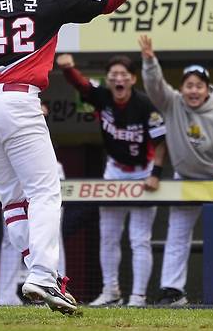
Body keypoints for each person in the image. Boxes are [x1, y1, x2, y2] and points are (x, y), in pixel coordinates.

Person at [0, 0, 160, 315]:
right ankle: (43, 275)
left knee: (12, 198)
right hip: (17, 100)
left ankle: (37, 270)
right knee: (45, 193)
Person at [139, 35, 213, 306]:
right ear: (182, 88)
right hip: (185, 179)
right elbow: (155, 87)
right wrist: (150, 61)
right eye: (189, 85)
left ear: (207, 89)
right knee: (177, 232)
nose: (193, 91)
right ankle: (172, 289)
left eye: (199, 86)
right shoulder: (173, 103)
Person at [56, 53, 167, 307]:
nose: (119, 79)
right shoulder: (103, 97)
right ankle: (111, 291)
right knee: (108, 236)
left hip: (143, 173)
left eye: (124, 75)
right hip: (115, 172)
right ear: (108, 79)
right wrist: (69, 69)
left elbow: (161, 142)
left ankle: (138, 297)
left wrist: (156, 174)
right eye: (114, 75)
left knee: (139, 239)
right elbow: (83, 85)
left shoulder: (144, 104)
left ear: (133, 79)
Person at [0, 102, 67, 306]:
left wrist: (35, 110)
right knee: (10, 238)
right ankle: (5, 297)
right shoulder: (6, 107)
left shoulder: (34, 108)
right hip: (14, 170)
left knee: (51, 234)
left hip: (43, 169)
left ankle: (56, 286)